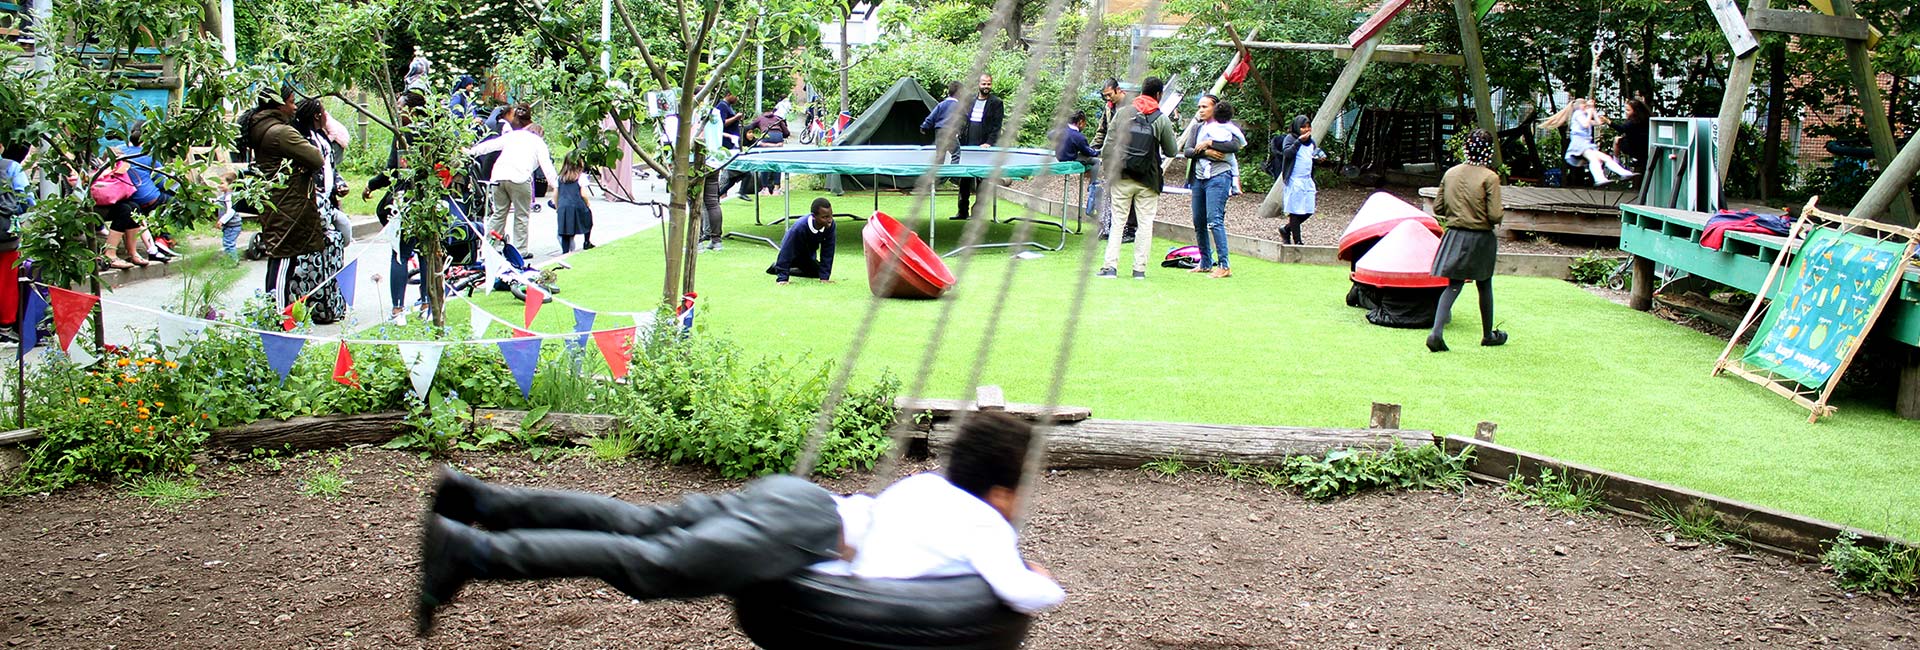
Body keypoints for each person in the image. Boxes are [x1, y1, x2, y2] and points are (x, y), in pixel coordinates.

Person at [413, 411, 1063, 638]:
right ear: (1002, 492)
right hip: (800, 536)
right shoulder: (988, 530)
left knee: (642, 525)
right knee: (649, 564)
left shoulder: (927, 486)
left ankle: (476, 497)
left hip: (800, 501)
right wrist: (1039, 574)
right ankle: (470, 552)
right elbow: (1024, 593)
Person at [242, 86, 328, 312]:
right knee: (283, 259)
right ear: (278, 105)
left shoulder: (260, 127)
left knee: (281, 259)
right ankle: (277, 314)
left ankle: (277, 310)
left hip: (277, 200)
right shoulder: (281, 133)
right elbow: (316, 158)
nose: (294, 106)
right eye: (291, 102)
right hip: (288, 203)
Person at [1426, 129, 1508, 353]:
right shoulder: (1490, 177)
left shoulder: (1451, 173)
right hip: (1480, 237)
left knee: (1453, 285)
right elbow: (1494, 215)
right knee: (1484, 284)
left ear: (1466, 148)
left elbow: (1439, 208)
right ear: (1488, 152)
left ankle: (1436, 332)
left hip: (1454, 235)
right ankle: (1487, 335)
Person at [1099, 77, 1179, 280]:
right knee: (1145, 223)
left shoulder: (1124, 113)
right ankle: (1139, 270)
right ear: (1159, 94)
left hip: (1122, 175)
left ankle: (1110, 267)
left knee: (1118, 221)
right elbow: (1171, 151)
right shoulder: (1160, 118)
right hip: (1148, 179)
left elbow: (1108, 144)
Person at [365, 92, 429, 320]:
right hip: (428, 199)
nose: (397, 112)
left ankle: (398, 308)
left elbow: (393, 170)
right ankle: (427, 304)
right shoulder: (432, 133)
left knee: (399, 254)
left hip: (404, 200)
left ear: (411, 110)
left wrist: (371, 185)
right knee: (425, 253)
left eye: (400, 107)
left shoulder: (404, 135)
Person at [288, 99, 349, 324]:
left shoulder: (322, 138)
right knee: (311, 262)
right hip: (312, 207)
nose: (327, 117)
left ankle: (330, 304)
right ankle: (310, 307)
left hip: (328, 203)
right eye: (324, 113)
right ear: (316, 116)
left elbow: (330, 168)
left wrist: (339, 183)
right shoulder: (301, 140)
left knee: (336, 247)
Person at [467, 104, 557, 252]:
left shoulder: (512, 136)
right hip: (520, 178)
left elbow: (489, 146)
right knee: (521, 215)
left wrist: (471, 151)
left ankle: (488, 248)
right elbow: (547, 168)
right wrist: (557, 186)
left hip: (499, 176)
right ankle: (520, 250)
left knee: (499, 214)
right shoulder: (538, 142)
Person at [1182, 96, 1244, 278]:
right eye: (1199, 107)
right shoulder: (1197, 128)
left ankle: (1224, 265)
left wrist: (1210, 143)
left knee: (1214, 220)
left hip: (1219, 176)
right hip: (1198, 178)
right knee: (1198, 220)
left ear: (1215, 108)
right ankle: (1205, 262)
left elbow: (1233, 146)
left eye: (1205, 107)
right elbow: (1187, 151)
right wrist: (1206, 152)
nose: (1201, 110)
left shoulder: (1226, 127)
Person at [1543, 98, 1636, 186]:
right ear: (1582, 106)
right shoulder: (1578, 114)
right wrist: (1590, 112)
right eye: (1586, 106)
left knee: (1606, 157)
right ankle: (1599, 178)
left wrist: (1593, 110)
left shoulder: (1583, 115)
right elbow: (1586, 124)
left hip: (1586, 144)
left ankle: (1624, 173)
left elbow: (1598, 122)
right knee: (1594, 159)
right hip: (1579, 144)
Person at [952, 74, 1004, 221]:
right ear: (979, 84)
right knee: (964, 179)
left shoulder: (996, 103)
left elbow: (996, 127)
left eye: (988, 84)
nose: (986, 87)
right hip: (967, 145)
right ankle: (962, 212)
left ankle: (977, 214)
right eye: (984, 84)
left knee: (983, 181)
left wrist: (989, 143)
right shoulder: (970, 101)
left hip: (984, 148)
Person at [1092, 78, 1137, 244]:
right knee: (1110, 191)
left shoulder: (1132, 106)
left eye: (1109, 95)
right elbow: (1102, 130)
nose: (1107, 98)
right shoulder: (1108, 107)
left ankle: (1131, 229)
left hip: (1129, 156)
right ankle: (1108, 227)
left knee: (1128, 191)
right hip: (1111, 157)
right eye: (1105, 96)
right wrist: (1092, 150)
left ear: (1118, 90)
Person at [1275, 115, 1325, 246]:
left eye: (1308, 127)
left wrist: (1319, 159)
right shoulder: (1290, 139)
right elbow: (1287, 154)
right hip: (1294, 179)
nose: (1306, 129)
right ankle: (1298, 241)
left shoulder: (1311, 142)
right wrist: (1298, 141)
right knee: (1295, 211)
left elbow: (1310, 157)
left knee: (1308, 210)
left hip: (1307, 179)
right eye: (1303, 127)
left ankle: (1286, 229)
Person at [768, 198, 836, 285]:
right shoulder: (799, 228)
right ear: (814, 216)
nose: (829, 220)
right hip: (793, 254)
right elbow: (786, 251)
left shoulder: (830, 225)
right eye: (825, 217)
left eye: (831, 215)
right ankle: (779, 268)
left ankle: (781, 269)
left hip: (808, 256)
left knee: (817, 273)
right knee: (790, 260)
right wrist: (783, 278)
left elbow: (828, 250)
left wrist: (824, 278)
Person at [555, 153, 595, 254]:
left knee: (565, 230)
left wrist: (557, 207)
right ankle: (587, 241)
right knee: (587, 221)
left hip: (563, 207)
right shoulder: (581, 177)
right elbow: (583, 194)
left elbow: (555, 194)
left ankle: (565, 251)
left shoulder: (560, 178)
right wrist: (587, 203)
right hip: (577, 205)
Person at [1612, 98, 1651, 174]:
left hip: (1635, 147)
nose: (1626, 112)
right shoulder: (1645, 119)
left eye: (1628, 110)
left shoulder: (1632, 121)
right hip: (1644, 145)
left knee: (1616, 140)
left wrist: (1609, 122)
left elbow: (1622, 129)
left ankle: (1615, 161)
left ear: (1635, 111)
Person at [214, 169, 242, 260]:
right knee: (227, 242)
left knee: (229, 243)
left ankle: (233, 261)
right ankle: (230, 259)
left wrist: (222, 220)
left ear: (230, 185)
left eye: (222, 183)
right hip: (229, 225)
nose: (219, 185)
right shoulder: (224, 196)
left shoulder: (231, 196)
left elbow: (231, 210)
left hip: (233, 225)